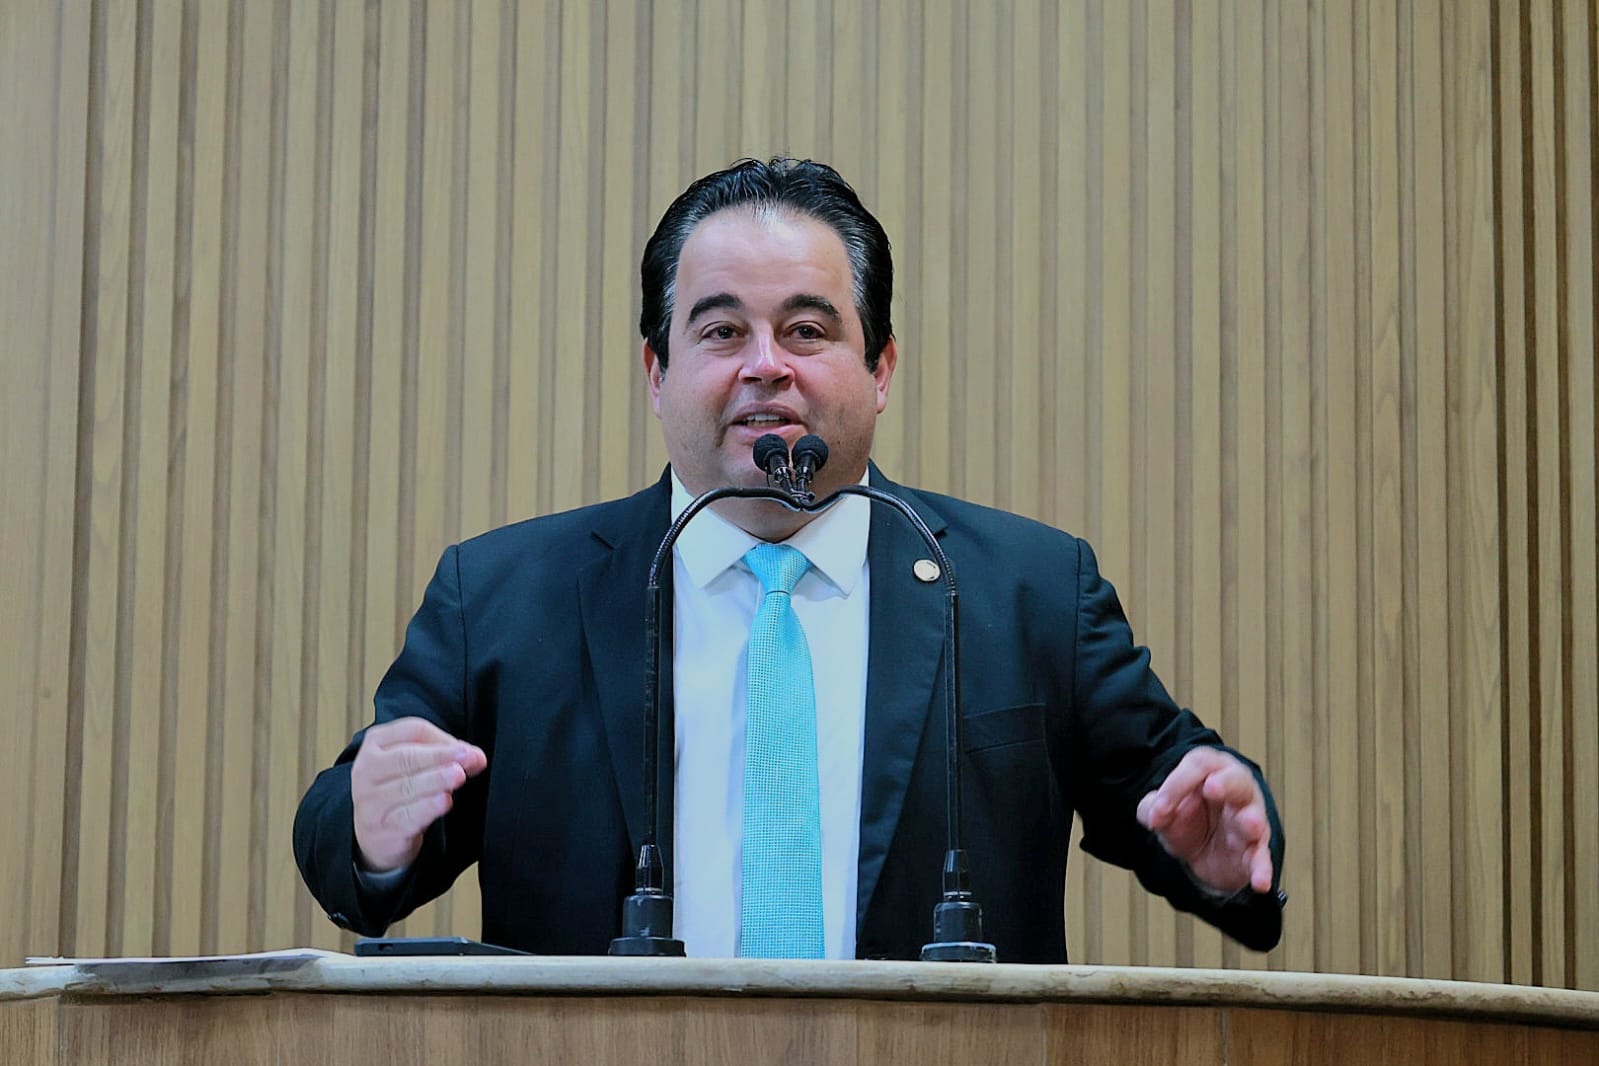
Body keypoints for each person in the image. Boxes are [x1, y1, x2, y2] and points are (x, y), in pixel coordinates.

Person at [294, 158, 1285, 962]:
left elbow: (1177, 791)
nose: (765, 364)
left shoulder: (1024, 592)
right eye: (722, 330)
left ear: (880, 367)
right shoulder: (505, 596)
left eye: (806, 330)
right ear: (657, 371)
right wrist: (372, 828)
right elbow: (343, 846)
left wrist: (1216, 845)